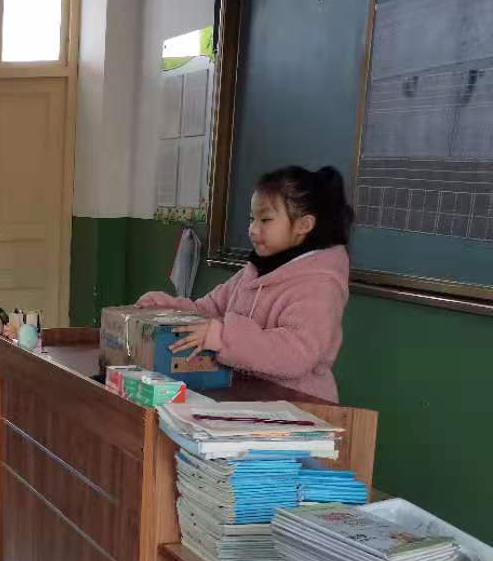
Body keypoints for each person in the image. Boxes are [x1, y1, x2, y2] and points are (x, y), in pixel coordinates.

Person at [137, 165, 353, 403]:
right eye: (252, 219)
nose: (253, 229)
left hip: (300, 407)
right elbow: (208, 310)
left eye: (265, 220)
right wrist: (167, 309)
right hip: (250, 400)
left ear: (304, 225)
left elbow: (296, 353)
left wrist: (223, 336)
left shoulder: (320, 285)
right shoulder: (254, 271)